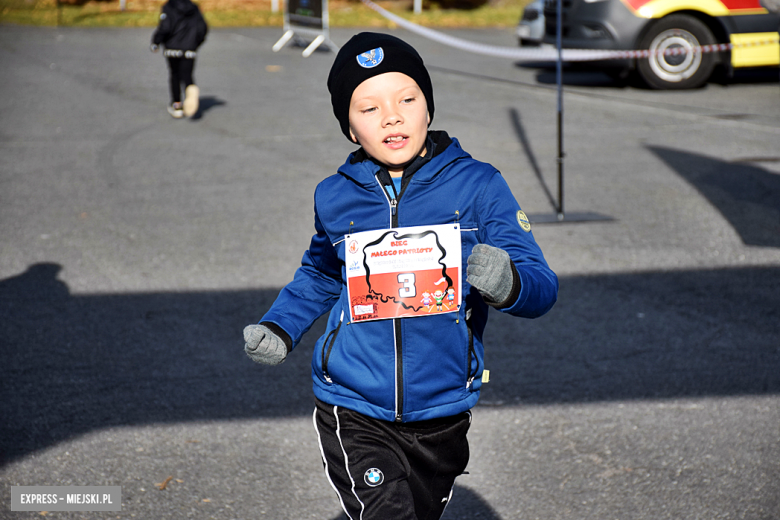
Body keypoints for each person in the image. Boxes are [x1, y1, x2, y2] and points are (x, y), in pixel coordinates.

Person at [243, 32, 558, 520]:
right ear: (349, 129)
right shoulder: (334, 196)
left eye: (407, 99)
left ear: (427, 108)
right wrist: (280, 325)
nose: (391, 116)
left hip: (443, 413)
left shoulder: (480, 185)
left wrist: (510, 281)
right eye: (368, 109)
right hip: (353, 403)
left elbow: (541, 284)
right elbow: (321, 273)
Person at [150, 0, 208, 119]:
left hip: (172, 47)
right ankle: (190, 88)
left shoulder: (169, 6)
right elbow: (203, 28)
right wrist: (195, 43)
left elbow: (165, 27)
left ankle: (177, 105)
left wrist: (156, 42)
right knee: (187, 75)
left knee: (175, 74)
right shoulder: (194, 8)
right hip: (189, 48)